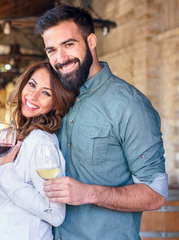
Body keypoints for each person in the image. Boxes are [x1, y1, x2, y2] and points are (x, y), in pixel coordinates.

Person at [33, 4, 168, 239]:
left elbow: (155, 194)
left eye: (68, 44)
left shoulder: (129, 105)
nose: (60, 58)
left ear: (91, 41)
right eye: (51, 50)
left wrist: (88, 193)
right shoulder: (60, 98)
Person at [0, 61, 76, 240]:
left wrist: (4, 172)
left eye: (45, 92)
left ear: (56, 103)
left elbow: (55, 214)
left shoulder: (42, 143)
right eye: (32, 84)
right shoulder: (19, 136)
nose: (33, 96)